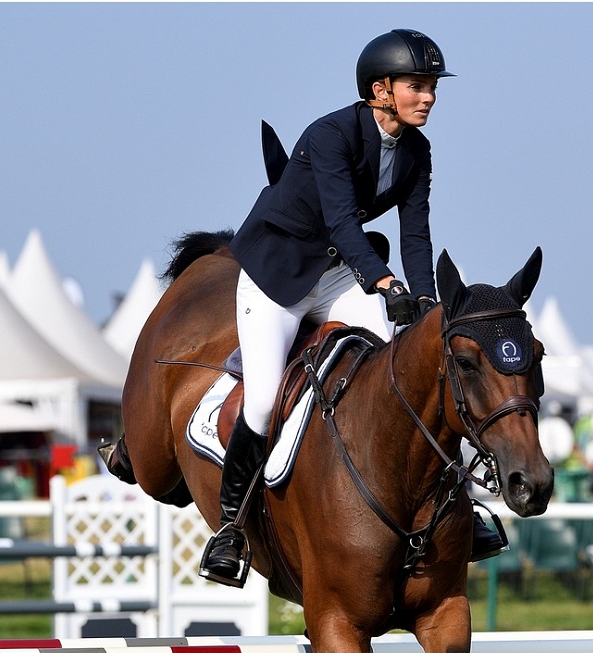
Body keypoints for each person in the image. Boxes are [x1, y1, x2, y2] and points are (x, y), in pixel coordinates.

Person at [201, 28, 503, 586]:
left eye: (432, 87)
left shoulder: (417, 150)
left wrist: (426, 302)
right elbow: (342, 221)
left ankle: (460, 505)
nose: (429, 97)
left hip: (337, 272)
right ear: (380, 90)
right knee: (263, 401)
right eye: (417, 86)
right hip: (277, 276)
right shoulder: (330, 135)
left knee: (407, 375)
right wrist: (385, 283)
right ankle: (230, 529)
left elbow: (416, 235)